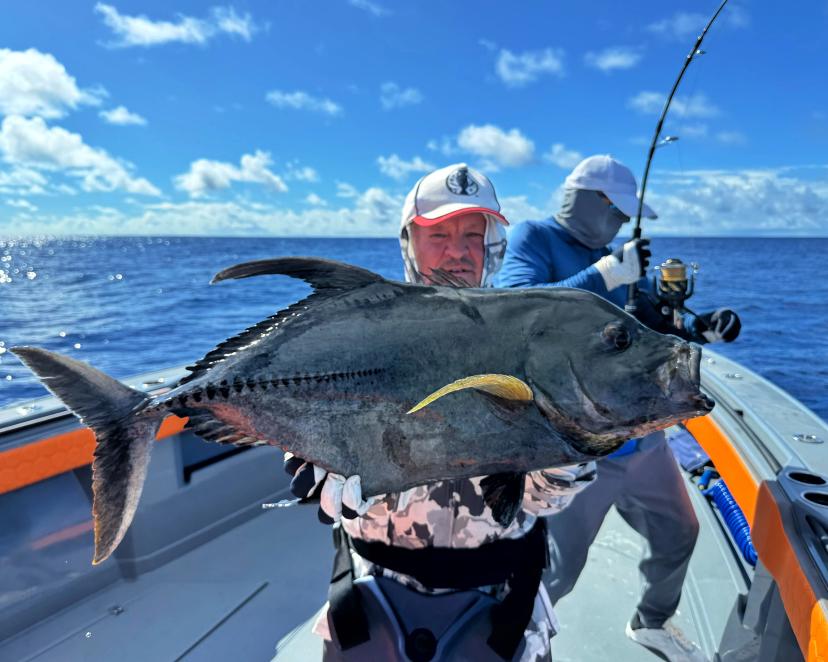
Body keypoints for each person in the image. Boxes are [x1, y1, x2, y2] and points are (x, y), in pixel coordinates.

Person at [284, 163, 597, 662]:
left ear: (493, 246)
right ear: (409, 240)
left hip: (502, 600)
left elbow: (543, 499)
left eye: (475, 234)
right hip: (370, 589)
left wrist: (573, 439)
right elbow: (308, 424)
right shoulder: (363, 333)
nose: (459, 251)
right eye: (440, 234)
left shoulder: (530, 341)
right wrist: (315, 470)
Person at [496, 154, 741, 662]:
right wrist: (604, 273)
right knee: (559, 569)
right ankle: (508, 641)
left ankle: (650, 623)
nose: (623, 222)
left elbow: (650, 327)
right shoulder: (534, 238)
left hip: (642, 437)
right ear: (588, 200)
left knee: (680, 531)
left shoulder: (615, 256)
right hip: (575, 444)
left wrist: (699, 328)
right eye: (616, 210)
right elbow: (516, 308)